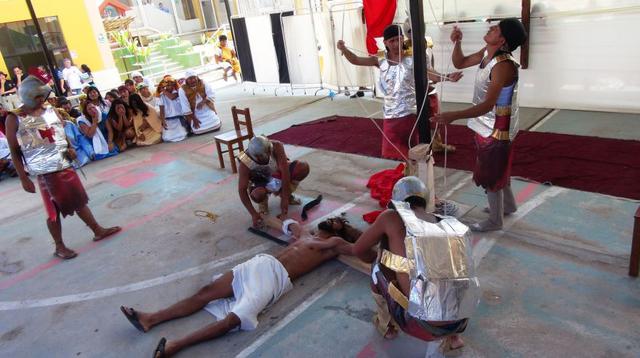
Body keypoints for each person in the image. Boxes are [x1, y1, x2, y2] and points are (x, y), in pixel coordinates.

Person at [120, 215, 366, 357]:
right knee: (206, 292)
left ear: (340, 231)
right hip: (260, 264)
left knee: (235, 319)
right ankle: (150, 318)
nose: (333, 219)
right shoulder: (305, 234)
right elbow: (285, 223)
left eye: (338, 221)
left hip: (275, 279)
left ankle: (175, 347)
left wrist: (381, 237)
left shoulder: (333, 244)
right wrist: (271, 216)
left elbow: (361, 250)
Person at [352, 176, 478, 353]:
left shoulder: (390, 217)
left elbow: (358, 250)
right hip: (461, 320)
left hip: (422, 325)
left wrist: (384, 260)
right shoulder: (449, 223)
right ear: (424, 200)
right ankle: (454, 338)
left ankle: (386, 325)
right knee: (446, 271)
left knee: (377, 266)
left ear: (396, 201)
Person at [4, 68, 121, 259]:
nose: (42, 100)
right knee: (53, 211)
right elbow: (14, 150)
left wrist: (70, 147)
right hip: (45, 172)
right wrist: (24, 178)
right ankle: (59, 246)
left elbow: (59, 133)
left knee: (79, 199)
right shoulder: (14, 117)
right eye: (38, 96)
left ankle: (97, 230)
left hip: (64, 163)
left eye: (43, 96)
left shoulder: (50, 110)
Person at [431, 19, 527, 232]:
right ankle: (508, 206)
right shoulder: (488, 52)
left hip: (498, 126)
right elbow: (460, 62)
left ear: (502, 40)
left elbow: (487, 105)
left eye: (495, 29)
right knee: (498, 167)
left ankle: (495, 220)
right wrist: (457, 42)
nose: (490, 29)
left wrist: (454, 115)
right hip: (488, 122)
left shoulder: (503, 66)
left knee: (491, 172)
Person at [336, 24, 462, 160]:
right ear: (385, 43)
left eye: (398, 39)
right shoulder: (379, 60)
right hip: (391, 113)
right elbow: (356, 60)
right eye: (392, 41)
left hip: (411, 112)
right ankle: (407, 173)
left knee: (413, 151)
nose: (396, 44)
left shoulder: (413, 59)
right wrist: (344, 49)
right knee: (394, 152)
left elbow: (431, 75)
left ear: (403, 39)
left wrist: (448, 77)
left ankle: (414, 173)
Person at [237, 136, 310, 227]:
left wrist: (284, 206)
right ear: (255, 157)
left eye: (267, 153)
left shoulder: (276, 145)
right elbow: (242, 190)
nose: (266, 157)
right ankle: (262, 202)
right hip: (261, 180)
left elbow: (285, 173)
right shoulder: (245, 161)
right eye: (261, 157)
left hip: (277, 172)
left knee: (303, 168)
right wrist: (253, 214)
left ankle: (288, 195)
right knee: (257, 194)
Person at [157, 76, 187, 142]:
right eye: (167, 85)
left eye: (171, 84)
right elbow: (161, 110)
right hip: (168, 120)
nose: (169, 87)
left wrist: (163, 91)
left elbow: (172, 97)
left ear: (174, 84)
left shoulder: (178, 92)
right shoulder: (161, 95)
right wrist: (163, 121)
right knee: (167, 138)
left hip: (179, 118)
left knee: (182, 134)